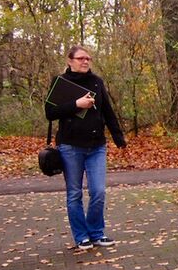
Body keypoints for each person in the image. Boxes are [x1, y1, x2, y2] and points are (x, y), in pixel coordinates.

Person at [45, 45, 126, 250]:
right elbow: (50, 112)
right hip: (70, 147)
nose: (85, 61)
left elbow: (107, 111)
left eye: (88, 58)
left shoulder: (96, 82)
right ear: (70, 60)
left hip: (96, 146)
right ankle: (81, 236)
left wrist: (118, 137)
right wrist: (77, 104)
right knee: (75, 193)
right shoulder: (61, 82)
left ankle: (96, 232)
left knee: (98, 192)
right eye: (81, 58)